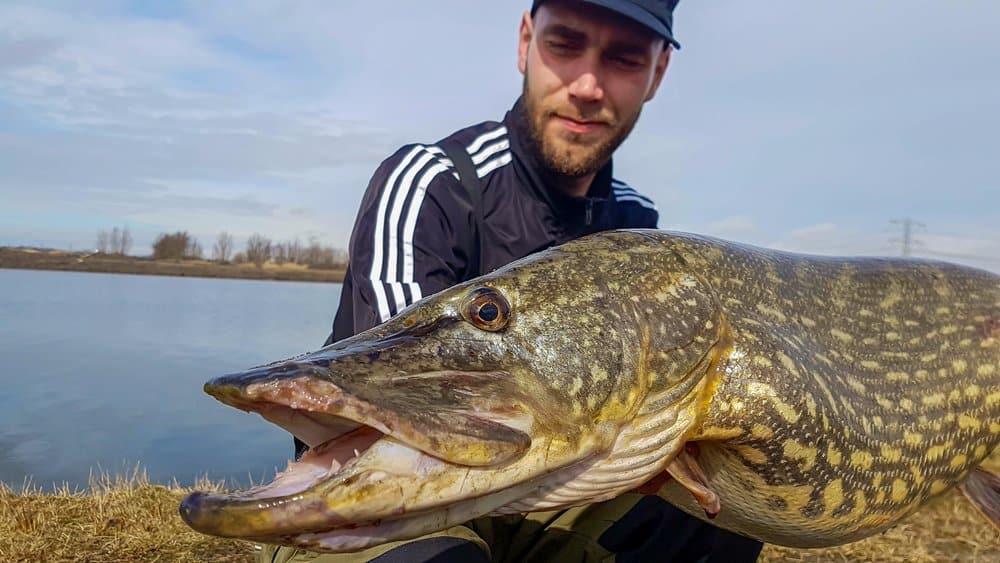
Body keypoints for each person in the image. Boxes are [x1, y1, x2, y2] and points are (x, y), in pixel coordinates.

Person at [268, 1, 765, 561]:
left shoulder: (636, 226)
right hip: (395, 487)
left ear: (658, 74)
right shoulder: (432, 184)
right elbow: (408, 398)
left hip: (555, 484)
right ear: (526, 41)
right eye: (565, 44)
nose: (587, 85)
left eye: (624, 58)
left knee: (711, 524)